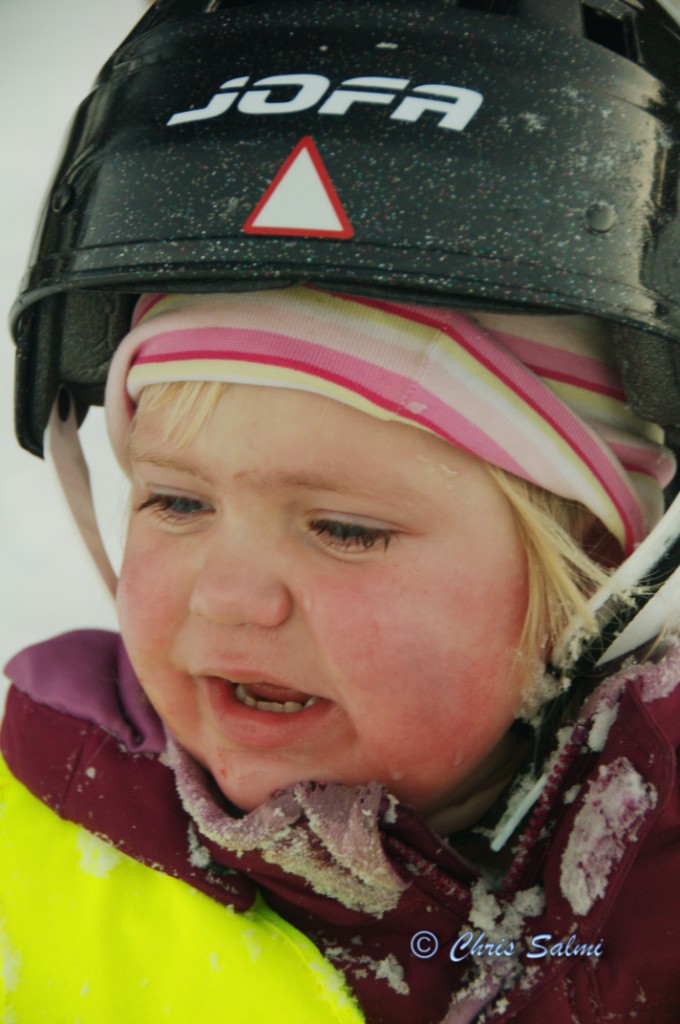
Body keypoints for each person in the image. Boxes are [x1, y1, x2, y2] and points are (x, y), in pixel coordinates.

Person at [2, 2, 680, 1022]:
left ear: (591, 563)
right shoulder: (35, 841)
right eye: (177, 500)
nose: (231, 598)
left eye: (344, 529)